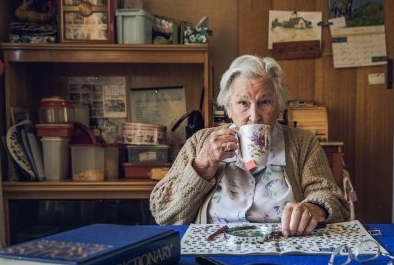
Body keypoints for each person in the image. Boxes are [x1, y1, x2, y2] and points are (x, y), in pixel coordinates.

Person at [150, 55, 350, 237]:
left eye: (264, 102)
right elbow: (164, 214)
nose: (254, 116)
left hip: (283, 246)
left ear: (279, 108)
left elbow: (333, 200)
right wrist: (202, 166)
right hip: (215, 247)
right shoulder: (201, 142)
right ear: (228, 109)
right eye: (243, 103)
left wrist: (314, 208)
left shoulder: (303, 143)